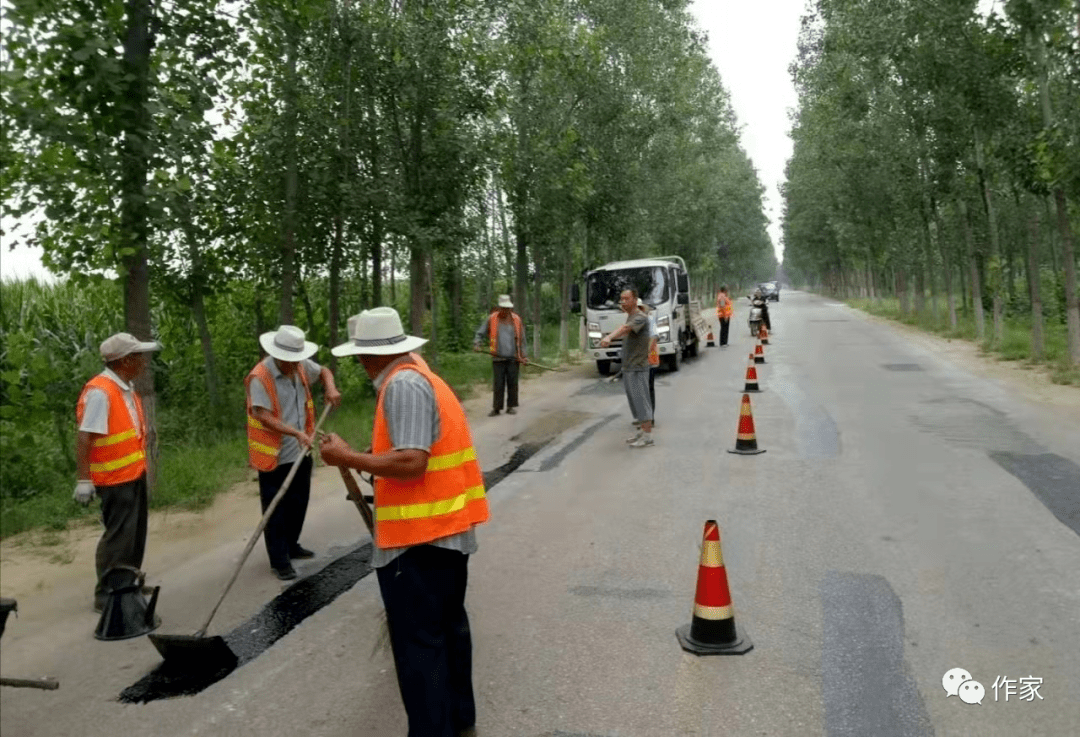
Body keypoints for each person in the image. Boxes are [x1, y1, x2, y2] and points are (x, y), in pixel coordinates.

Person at [320, 307, 488, 737]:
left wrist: (347, 457)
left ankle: (435, 729)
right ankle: (457, 720)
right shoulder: (421, 376)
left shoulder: (403, 384)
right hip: (441, 533)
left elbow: (412, 462)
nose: (358, 365)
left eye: (358, 356)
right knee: (448, 631)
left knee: (420, 647)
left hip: (421, 542)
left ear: (367, 357)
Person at [75, 332, 162, 613]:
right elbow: (85, 437)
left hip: (133, 471)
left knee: (135, 534)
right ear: (125, 360)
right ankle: (107, 593)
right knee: (118, 536)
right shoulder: (101, 392)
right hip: (114, 479)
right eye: (139, 356)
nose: (144, 361)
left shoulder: (124, 386)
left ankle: (128, 583)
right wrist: (84, 480)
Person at [246, 325, 341, 581]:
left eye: (296, 360)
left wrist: (330, 388)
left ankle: (292, 545)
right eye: (288, 360)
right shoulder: (260, 377)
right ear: (277, 355)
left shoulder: (300, 366)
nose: (293, 365)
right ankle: (279, 560)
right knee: (276, 508)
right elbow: (262, 415)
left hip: (302, 450)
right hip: (275, 454)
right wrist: (295, 433)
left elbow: (323, 371)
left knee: (298, 501)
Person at [599, 290, 654, 448]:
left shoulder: (640, 317)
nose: (622, 302)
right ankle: (642, 432)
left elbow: (624, 329)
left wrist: (609, 337)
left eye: (626, 299)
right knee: (635, 401)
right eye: (621, 299)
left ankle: (648, 437)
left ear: (635, 300)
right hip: (629, 366)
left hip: (638, 366)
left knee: (642, 401)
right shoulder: (631, 316)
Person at [473, 294, 527, 416]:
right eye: (503, 308)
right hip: (498, 357)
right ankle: (497, 408)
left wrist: (524, 356)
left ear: (510, 308)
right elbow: (480, 333)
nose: (505, 310)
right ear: (499, 308)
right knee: (498, 384)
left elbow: (522, 340)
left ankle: (511, 406)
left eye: (507, 308)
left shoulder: (516, 320)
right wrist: (477, 343)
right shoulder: (492, 319)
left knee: (513, 383)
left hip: (514, 357)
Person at [639, 299, 660, 424]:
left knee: (648, 389)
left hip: (648, 360)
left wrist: (645, 353)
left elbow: (653, 337)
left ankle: (649, 418)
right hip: (638, 362)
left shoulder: (649, 320)